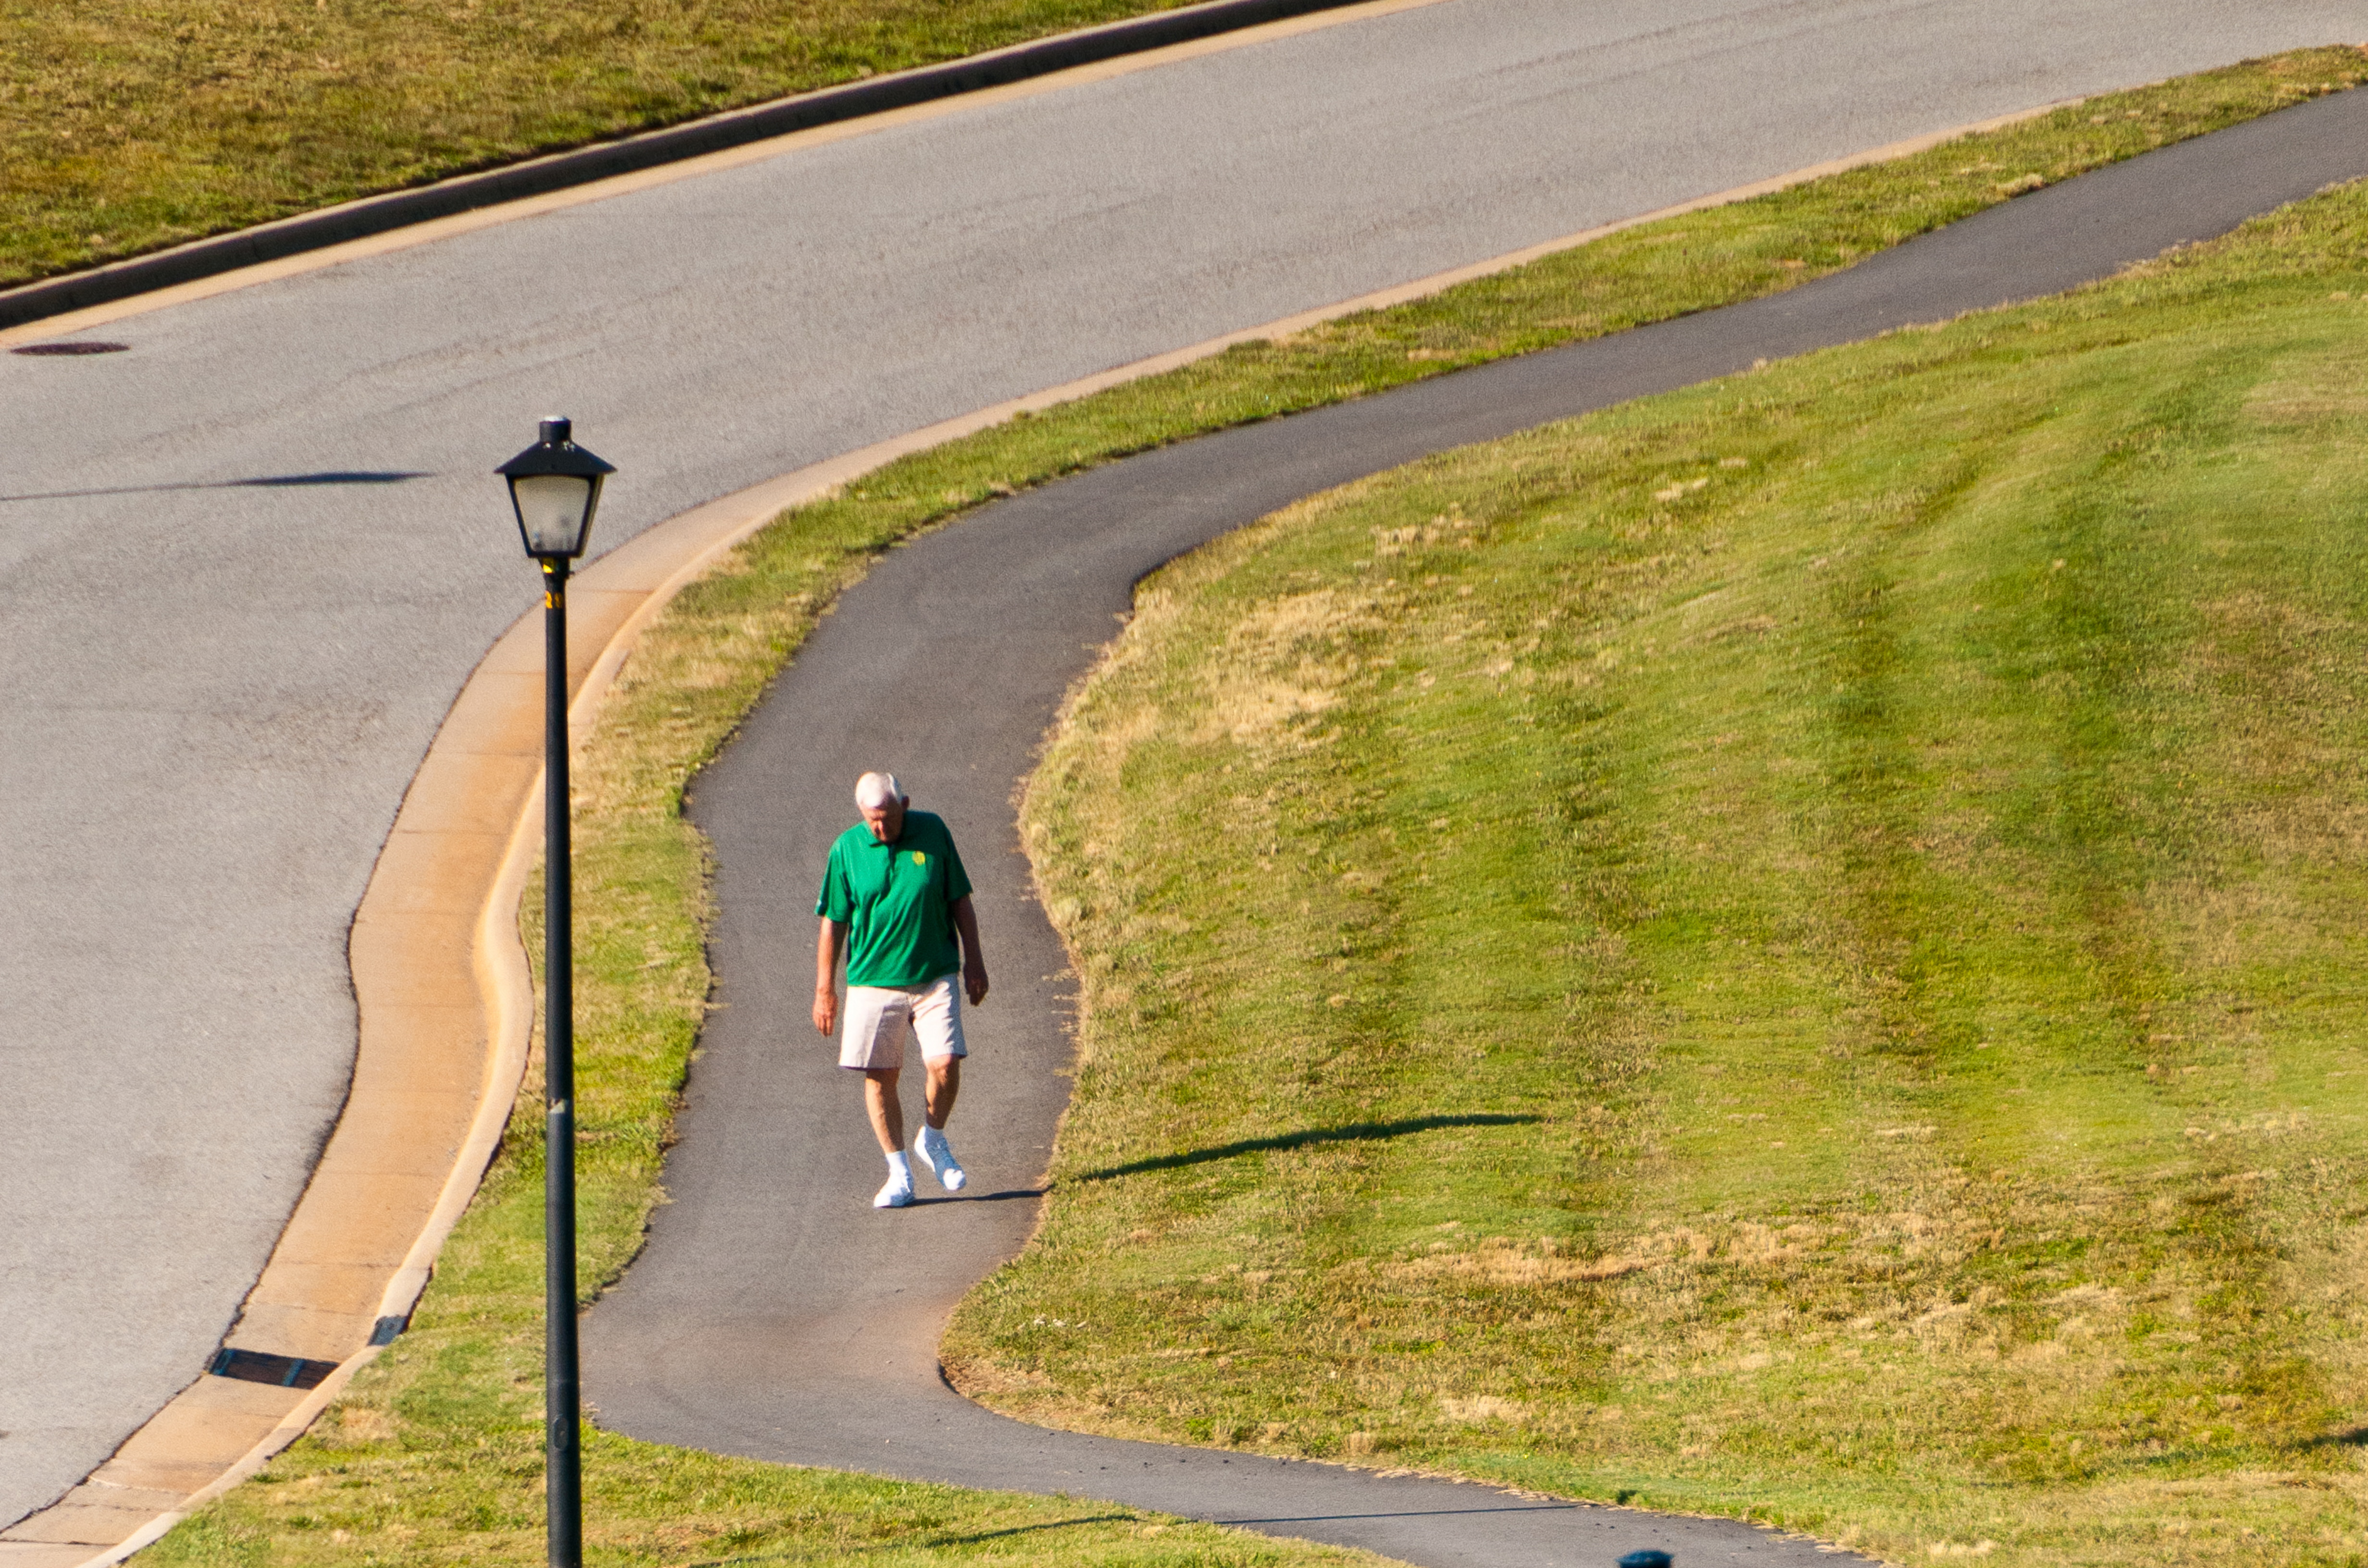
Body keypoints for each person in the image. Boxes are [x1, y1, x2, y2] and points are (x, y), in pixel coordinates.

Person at [812, 772, 990, 1208]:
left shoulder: (933, 832)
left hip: (935, 974)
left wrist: (975, 962)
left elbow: (959, 900)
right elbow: (833, 922)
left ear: (905, 805)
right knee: (880, 1076)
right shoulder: (846, 850)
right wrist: (825, 990)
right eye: (873, 820)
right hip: (873, 981)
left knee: (946, 1063)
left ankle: (932, 1139)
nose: (881, 828)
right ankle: (899, 1175)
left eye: (888, 818)